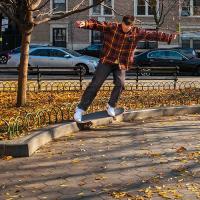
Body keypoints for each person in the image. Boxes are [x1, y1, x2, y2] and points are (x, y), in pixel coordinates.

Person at [74, 15, 177, 122]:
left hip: (121, 63)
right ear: (121, 23)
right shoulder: (113, 27)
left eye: (128, 27)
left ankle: (111, 105)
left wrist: (168, 37)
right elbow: (98, 25)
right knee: (96, 84)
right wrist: (85, 23)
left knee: (121, 84)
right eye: (124, 26)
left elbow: (152, 35)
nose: (126, 29)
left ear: (132, 26)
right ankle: (80, 109)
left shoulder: (137, 32)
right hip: (107, 61)